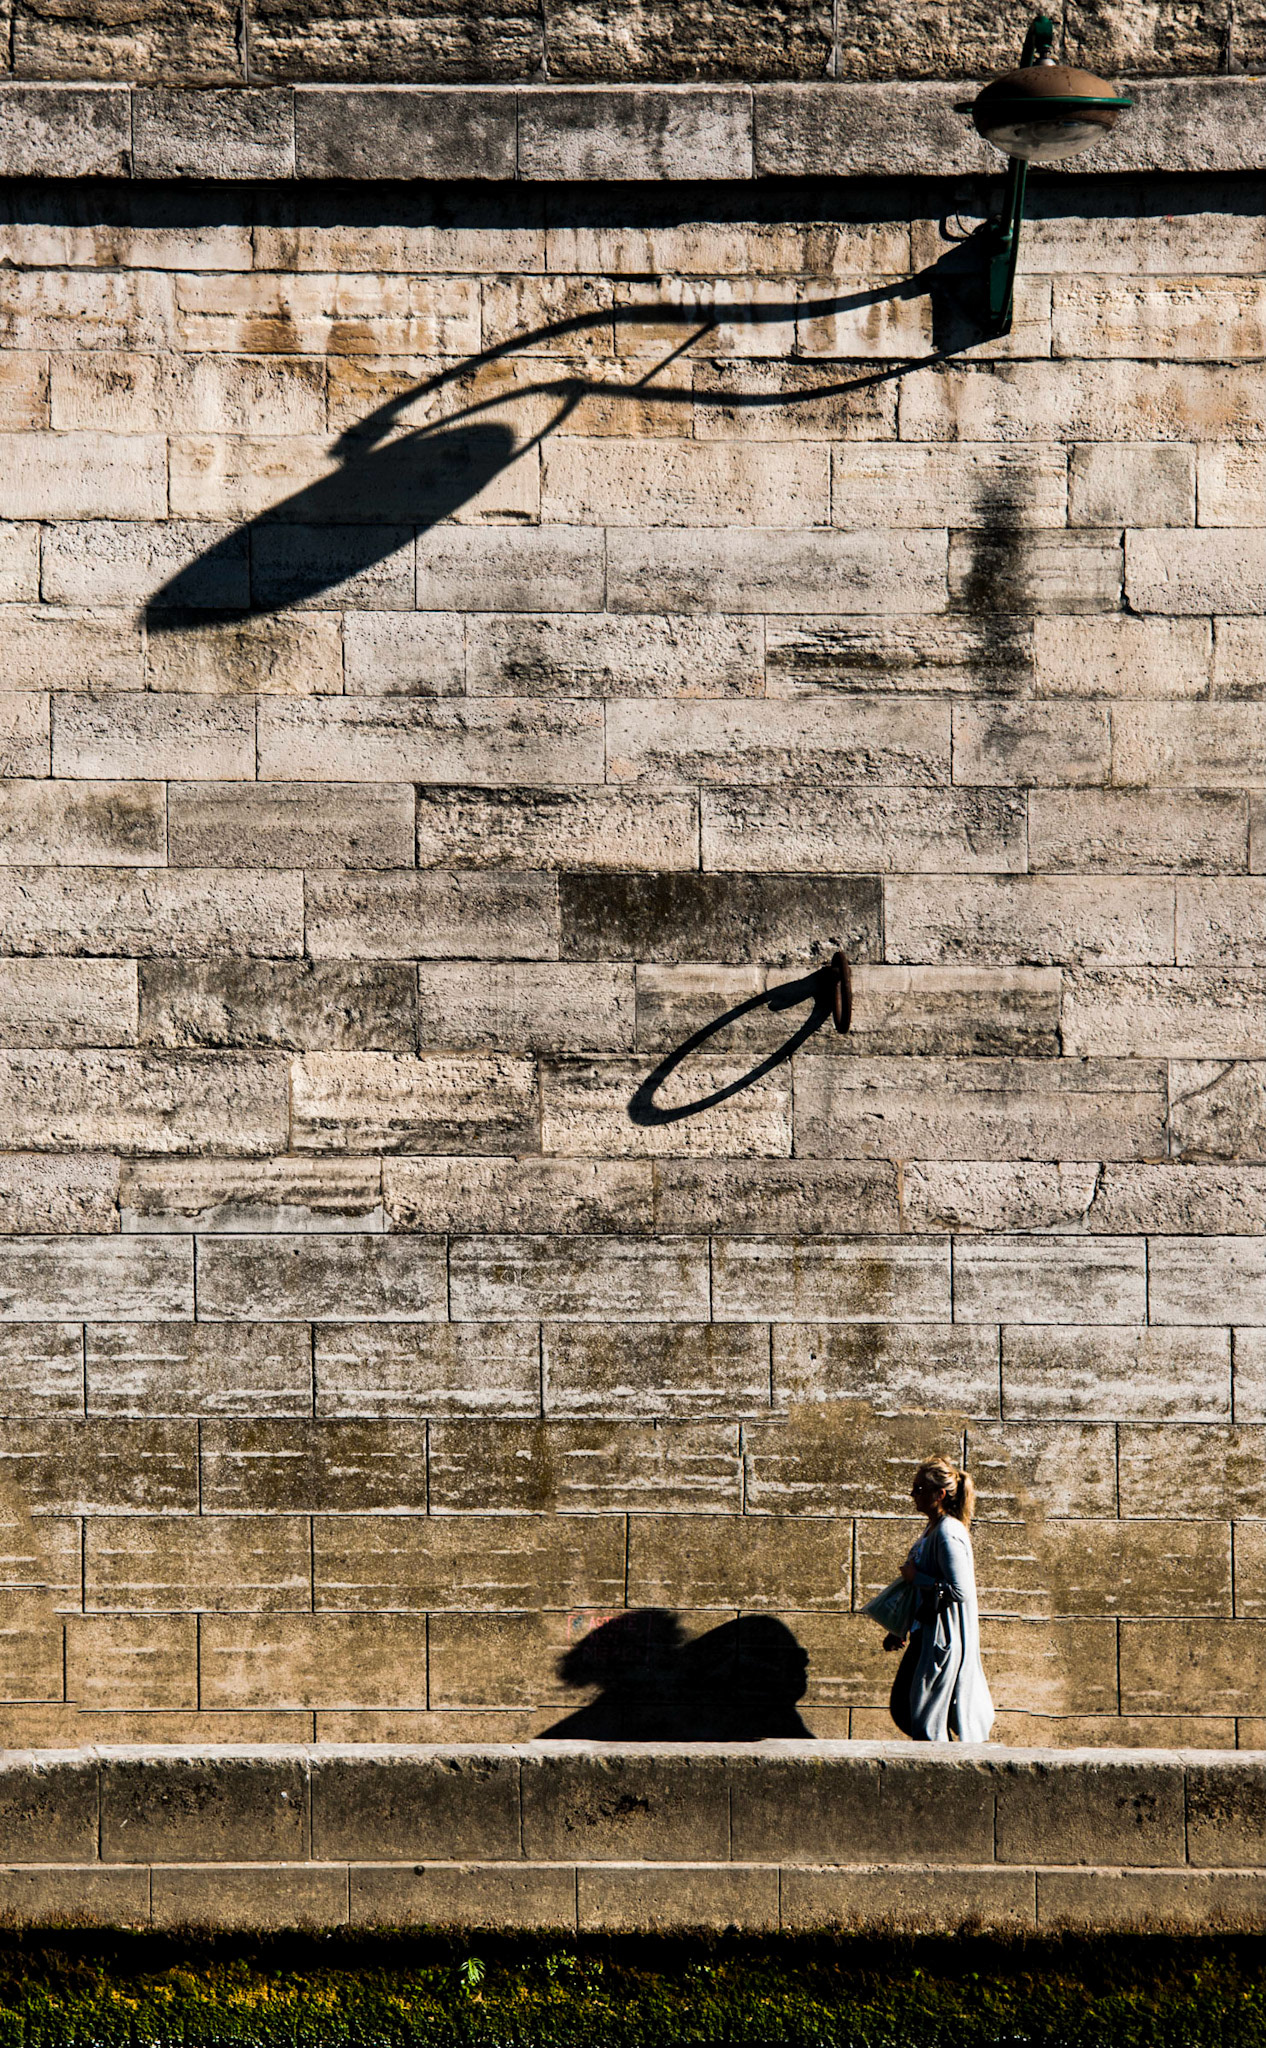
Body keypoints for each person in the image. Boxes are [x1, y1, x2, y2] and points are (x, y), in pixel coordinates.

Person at [883, 1457, 994, 1743]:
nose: (913, 1495)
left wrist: (915, 1577)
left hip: (940, 1638)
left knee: (922, 1717)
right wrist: (900, 1627)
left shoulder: (948, 1532)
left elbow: (959, 1590)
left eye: (919, 1488)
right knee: (911, 1710)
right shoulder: (933, 1529)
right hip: (924, 1633)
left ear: (939, 1494)